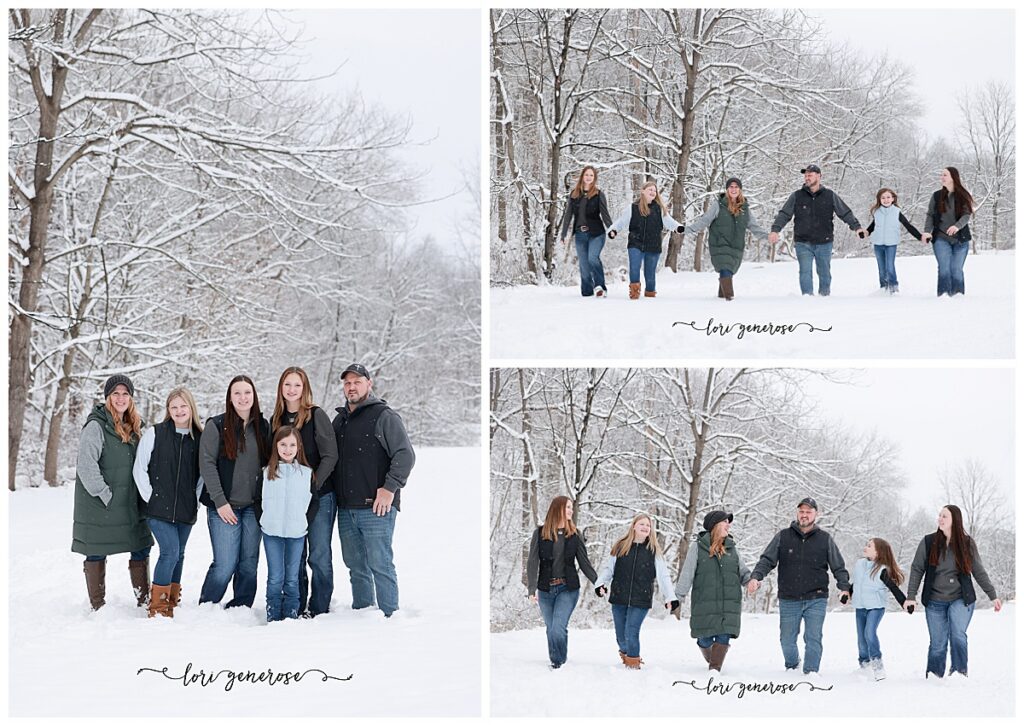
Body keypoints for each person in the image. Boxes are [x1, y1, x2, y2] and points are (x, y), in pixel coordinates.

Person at [332, 363, 415, 618]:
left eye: (357, 382)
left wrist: (389, 489)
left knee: (380, 563)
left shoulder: (384, 416)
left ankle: (390, 616)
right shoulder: (340, 420)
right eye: (347, 383)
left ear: (369, 384)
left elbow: (405, 455)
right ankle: (363, 613)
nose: (352, 387)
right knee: (355, 565)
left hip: (377, 507)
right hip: (346, 508)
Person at [73, 374, 153, 610]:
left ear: (131, 398)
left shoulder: (135, 426)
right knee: (96, 550)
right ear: (108, 397)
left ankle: (144, 599)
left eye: (125, 394)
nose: (120, 398)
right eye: (115, 393)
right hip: (102, 502)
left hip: (130, 501)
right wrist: (104, 493)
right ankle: (98, 605)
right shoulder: (96, 426)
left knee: (141, 545)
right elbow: (86, 466)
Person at [747, 497, 850, 675]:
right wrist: (756, 577)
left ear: (816, 514)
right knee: (787, 640)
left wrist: (844, 587)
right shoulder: (783, 536)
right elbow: (767, 560)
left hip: (816, 597)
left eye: (808, 512)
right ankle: (792, 666)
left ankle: (811, 673)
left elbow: (838, 566)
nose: (804, 515)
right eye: (801, 511)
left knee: (813, 638)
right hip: (789, 597)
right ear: (797, 513)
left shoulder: (824, 539)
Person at [270, 367, 338, 617]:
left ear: (305, 388)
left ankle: (319, 607)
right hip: (289, 500)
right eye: (287, 384)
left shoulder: (316, 415)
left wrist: (311, 486)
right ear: (281, 388)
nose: (292, 390)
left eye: (297, 385)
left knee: (319, 554)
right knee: (295, 555)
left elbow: (330, 456)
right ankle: (296, 605)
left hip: (320, 495)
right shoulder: (276, 420)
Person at [904, 505, 1002, 679]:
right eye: (939, 515)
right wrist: (911, 596)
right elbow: (917, 568)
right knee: (938, 642)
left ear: (954, 520)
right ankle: (934, 675)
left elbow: (978, 570)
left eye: (945, 516)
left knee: (957, 635)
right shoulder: (929, 542)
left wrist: (992, 595)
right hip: (934, 599)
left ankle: (958, 672)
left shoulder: (967, 543)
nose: (940, 519)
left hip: (961, 598)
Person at [198, 375, 270, 608]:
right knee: (225, 564)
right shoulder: (216, 425)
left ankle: (241, 607)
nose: (242, 397)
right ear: (230, 397)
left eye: (247, 392)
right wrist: (220, 502)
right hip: (223, 506)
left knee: (249, 563)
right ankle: (207, 606)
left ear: (254, 396)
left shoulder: (263, 427)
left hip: (252, 506)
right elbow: (207, 464)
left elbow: (270, 462)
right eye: (237, 393)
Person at [132, 387, 204, 617]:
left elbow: (202, 476)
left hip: (186, 508)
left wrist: (195, 501)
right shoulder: (156, 433)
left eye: (183, 406)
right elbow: (139, 469)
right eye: (174, 407)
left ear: (191, 407)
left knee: (179, 554)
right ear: (168, 410)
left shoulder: (200, 438)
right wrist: (151, 498)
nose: (179, 411)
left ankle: (171, 601)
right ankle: (158, 608)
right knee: (170, 552)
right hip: (157, 509)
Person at [594, 514, 677, 670]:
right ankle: (626, 656)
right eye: (642, 524)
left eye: (648, 525)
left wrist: (670, 597)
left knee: (631, 632)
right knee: (621, 637)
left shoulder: (653, 551)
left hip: (641, 598)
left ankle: (633, 667)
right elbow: (608, 569)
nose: (645, 527)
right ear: (634, 526)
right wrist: (600, 584)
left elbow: (664, 576)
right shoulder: (620, 546)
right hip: (619, 596)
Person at [768, 164, 866, 296]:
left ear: (819, 176)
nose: (807, 178)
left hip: (824, 242)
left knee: (824, 272)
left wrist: (857, 227)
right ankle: (807, 298)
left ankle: (824, 298)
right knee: (805, 272)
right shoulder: (797, 196)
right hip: (803, 242)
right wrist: (775, 230)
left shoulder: (829, 195)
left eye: (810, 175)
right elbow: (785, 214)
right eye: (805, 175)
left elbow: (844, 212)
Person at [526, 495, 598, 669]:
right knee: (551, 628)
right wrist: (531, 589)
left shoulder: (575, 534)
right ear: (557, 509)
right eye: (567, 507)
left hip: (568, 588)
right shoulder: (540, 534)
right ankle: (556, 660)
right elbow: (532, 562)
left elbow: (584, 563)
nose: (571, 511)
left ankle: (558, 663)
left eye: (571, 507)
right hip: (545, 590)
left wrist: (598, 582)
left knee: (558, 627)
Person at [674, 511, 751, 672]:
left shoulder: (732, 548)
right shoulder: (697, 547)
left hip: (728, 604)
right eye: (725, 522)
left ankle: (715, 670)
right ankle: (713, 657)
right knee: (704, 639)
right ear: (715, 525)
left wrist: (752, 581)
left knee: (724, 635)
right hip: (705, 604)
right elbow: (687, 574)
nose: (728, 525)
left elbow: (743, 572)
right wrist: (677, 597)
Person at [259, 426, 317, 622]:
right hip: (271, 533)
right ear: (276, 446)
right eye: (283, 444)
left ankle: (291, 615)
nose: (287, 449)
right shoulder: (267, 472)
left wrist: (303, 521)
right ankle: (273, 614)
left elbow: (313, 502)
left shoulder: (306, 474)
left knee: (292, 578)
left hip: (296, 533)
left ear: (299, 447)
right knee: (275, 577)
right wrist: (265, 518)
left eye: (292, 445)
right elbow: (258, 500)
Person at [684, 177, 770, 300]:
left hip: (736, 246)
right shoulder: (718, 205)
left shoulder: (745, 208)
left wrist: (767, 236)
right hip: (719, 244)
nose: (733, 189)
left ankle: (722, 296)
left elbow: (754, 227)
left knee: (728, 271)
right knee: (725, 267)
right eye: (731, 187)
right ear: (727, 189)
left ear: (740, 190)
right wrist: (686, 230)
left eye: (736, 187)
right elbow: (704, 221)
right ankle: (729, 299)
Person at [606, 180, 685, 299]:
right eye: (650, 189)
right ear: (643, 191)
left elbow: (669, 221)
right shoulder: (633, 208)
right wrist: (613, 230)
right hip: (635, 243)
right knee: (634, 267)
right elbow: (621, 222)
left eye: (654, 190)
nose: (653, 192)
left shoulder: (659, 209)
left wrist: (678, 227)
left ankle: (650, 293)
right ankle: (634, 293)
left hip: (653, 244)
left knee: (650, 274)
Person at [849, 537, 907, 681]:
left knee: (869, 633)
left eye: (869, 546)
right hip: (860, 606)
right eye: (866, 544)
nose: (865, 547)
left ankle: (877, 664)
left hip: (876, 607)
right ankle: (864, 665)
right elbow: (856, 583)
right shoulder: (860, 564)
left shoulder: (882, 569)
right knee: (861, 638)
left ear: (878, 552)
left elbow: (893, 587)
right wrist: (847, 594)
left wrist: (904, 602)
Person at [559, 166, 614, 298]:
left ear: (594, 178)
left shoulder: (598, 194)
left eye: (591, 175)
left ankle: (600, 287)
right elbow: (568, 215)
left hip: (597, 233)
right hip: (580, 234)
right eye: (586, 175)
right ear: (582, 176)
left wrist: (612, 229)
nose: (589, 177)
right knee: (584, 265)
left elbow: (605, 214)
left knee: (592, 257)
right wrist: (563, 234)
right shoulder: (574, 194)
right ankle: (587, 291)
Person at [921, 167, 975, 296]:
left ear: (953, 177)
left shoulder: (963, 195)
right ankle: (944, 296)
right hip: (941, 238)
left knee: (956, 269)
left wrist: (957, 226)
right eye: (942, 175)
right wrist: (927, 231)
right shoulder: (936, 196)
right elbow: (930, 214)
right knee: (944, 268)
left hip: (960, 239)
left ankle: (958, 296)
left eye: (945, 175)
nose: (942, 177)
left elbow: (967, 214)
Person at [865, 187, 923, 295]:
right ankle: (883, 289)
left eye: (888, 197)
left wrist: (920, 236)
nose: (886, 200)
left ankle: (894, 288)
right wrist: (866, 232)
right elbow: (872, 226)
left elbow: (908, 226)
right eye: (883, 198)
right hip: (878, 244)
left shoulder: (897, 212)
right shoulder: (877, 212)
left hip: (891, 244)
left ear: (893, 199)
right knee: (881, 269)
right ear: (879, 199)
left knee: (890, 267)